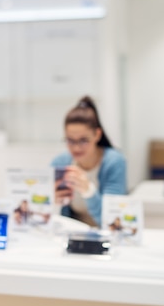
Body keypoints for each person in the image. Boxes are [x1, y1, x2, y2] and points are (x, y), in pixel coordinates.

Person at [51, 96, 126, 227]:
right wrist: (51, 201)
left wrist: (89, 191)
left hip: (104, 236)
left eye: (83, 140)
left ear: (97, 135)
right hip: (71, 235)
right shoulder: (61, 163)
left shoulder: (114, 162)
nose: (76, 147)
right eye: (70, 140)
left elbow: (112, 220)